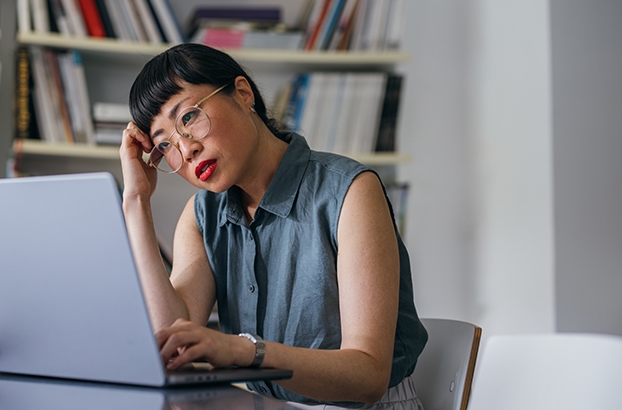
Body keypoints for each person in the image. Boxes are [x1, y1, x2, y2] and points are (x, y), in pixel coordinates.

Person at [120, 43, 428, 409]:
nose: (186, 150)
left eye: (189, 117)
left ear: (243, 94)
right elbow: (173, 338)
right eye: (165, 145)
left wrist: (242, 349)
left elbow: (368, 377)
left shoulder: (349, 191)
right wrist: (136, 202)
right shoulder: (202, 215)